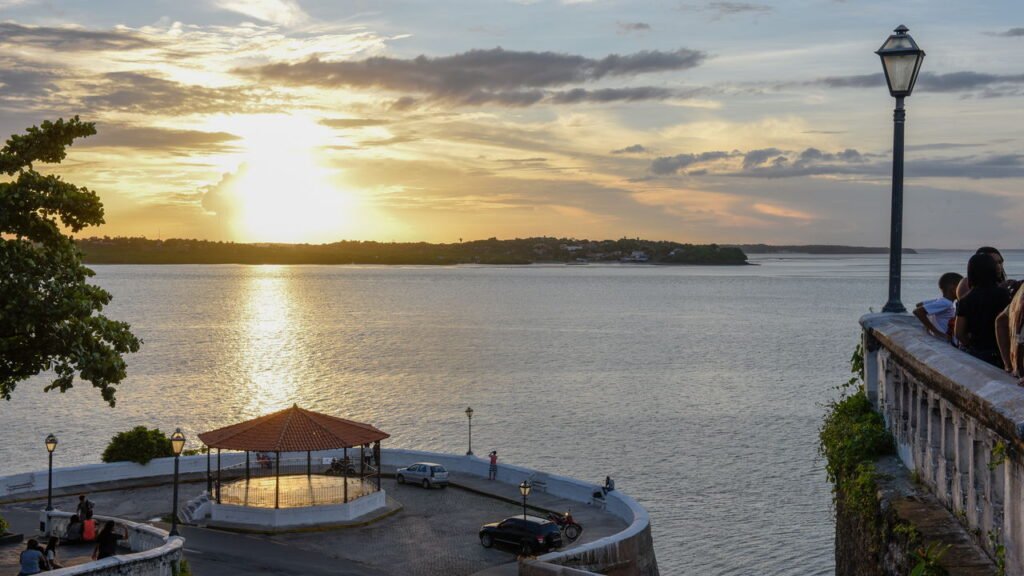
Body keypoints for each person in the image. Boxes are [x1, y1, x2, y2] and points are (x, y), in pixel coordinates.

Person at [956, 253, 1011, 367]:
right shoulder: (1003, 294)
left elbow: (959, 333)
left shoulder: (965, 300)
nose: (999, 267)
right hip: (999, 352)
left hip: (977, 352)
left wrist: (971, 346)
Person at [913, 272, 962, 340]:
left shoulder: (941, 300)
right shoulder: (946, 303)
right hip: (943, 341)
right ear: (953, 288)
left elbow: (919, 305)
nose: (964, 291)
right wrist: (937, 332)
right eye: (961, 288)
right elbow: (918, 311)